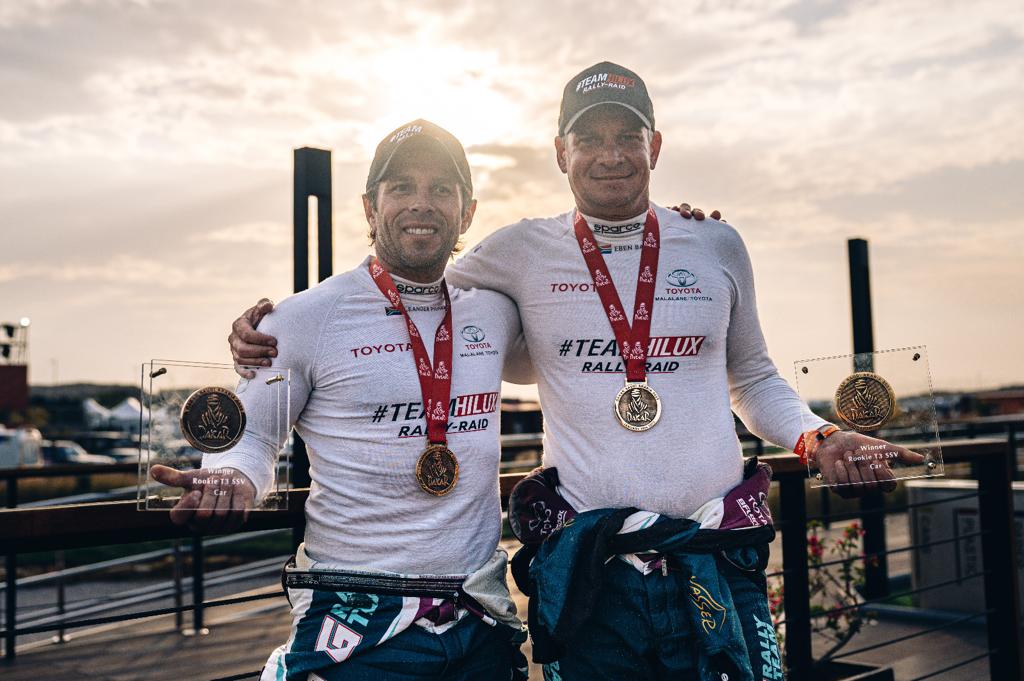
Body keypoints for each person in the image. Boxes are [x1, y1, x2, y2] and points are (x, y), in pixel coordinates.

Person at [229, 63, 923, 681]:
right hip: (593, 572)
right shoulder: (519, 250)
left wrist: (818, 435)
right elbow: (405, 287)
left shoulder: (715, 243)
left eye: (628, 137)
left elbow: (754, 377)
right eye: (589, 138)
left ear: (655, 147)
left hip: (714, 554)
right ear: (561, 152)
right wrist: (275, 329)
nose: (610, 155)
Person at [154, 119, 532, 680]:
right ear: (369, 208)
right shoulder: (302, 318)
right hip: (359, 618)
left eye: (441, 188)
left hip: (478, 616)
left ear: (468, 212)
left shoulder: (495, 309)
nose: (421, 204)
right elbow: (253, 433)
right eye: (401, 187)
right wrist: (233, 475)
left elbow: (579, 351)